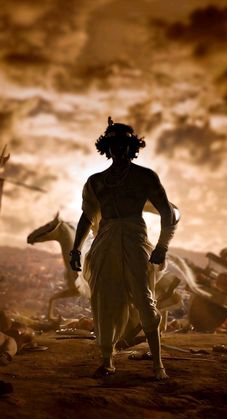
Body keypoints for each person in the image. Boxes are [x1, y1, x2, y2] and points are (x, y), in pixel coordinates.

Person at [70, 117, 180, 379]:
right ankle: (107, 361)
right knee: (105, 299)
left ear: (132, 148)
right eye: (113, 144)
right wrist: (75, 250)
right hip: (105, 242)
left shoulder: (145, 177)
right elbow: (87, 216)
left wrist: (163, 246)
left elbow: (167, 213)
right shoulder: (96, 181)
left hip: (135, 239)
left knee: (144, 298)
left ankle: (158, 365)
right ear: (106, 148)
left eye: (123, 145)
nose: (118, 149)